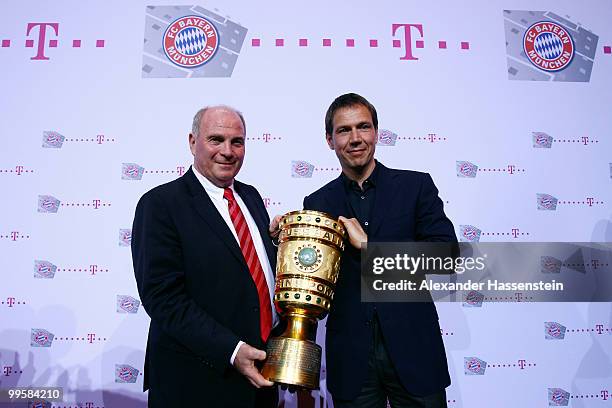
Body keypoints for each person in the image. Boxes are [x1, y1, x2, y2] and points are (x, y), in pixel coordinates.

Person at [303, 93, 456, 407]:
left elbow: (447, 256)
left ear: (376, 132)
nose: (356, 138)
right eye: (344, 130)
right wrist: (282, 240)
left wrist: (371, 249)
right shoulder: (317, 203)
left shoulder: (415, 187)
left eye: (364, 127)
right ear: (329, 140)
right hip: (351, 357)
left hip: (414, 351)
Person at [131, 105, 280, 407]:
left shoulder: (250, 196)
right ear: (192, 142)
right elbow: (163, 298)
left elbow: (250, 275)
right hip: (196, 382)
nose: (228, 151)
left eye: (237, 142)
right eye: (216, 139)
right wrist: (232, 350)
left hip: (260, 378)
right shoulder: (160, 204)